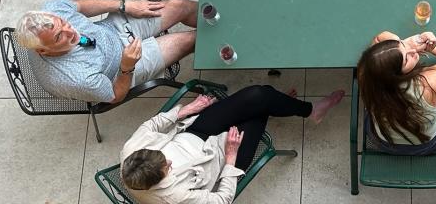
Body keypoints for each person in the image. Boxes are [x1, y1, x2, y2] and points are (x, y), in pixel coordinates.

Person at [120, 84, 345, 204]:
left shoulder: (132, 151)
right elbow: (222, 199)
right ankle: (282, 104)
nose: (168, 161)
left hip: (195, 131)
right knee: (263, 104)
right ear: (160, 179)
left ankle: (301, 108)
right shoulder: (175, 197)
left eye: (162, 156)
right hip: (220, 160)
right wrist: (230, 157)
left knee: (259, 94)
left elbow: (153, 125)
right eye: (167, 166)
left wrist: (187, 110)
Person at [16, 0, 198, 104]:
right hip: (122, 68)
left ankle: (220, 17)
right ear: (44, 51)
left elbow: (80, 6)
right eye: (58, 37)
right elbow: (115, 96)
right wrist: (127, 67)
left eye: (64, 23)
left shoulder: (53, 10)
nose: (71, 32)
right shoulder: (77, 79)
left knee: (178, 5)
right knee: (188, 40)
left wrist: (123, 5)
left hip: (113, 28)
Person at [357, 29, 436, 153]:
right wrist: (433, 48)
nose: (413, 51)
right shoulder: (429, 83)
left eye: (404, 47)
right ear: (396, 75)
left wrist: (403, 46)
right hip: (427, 144)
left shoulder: (365, 73)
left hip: (383, 141)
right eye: (406, 60)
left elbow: (379, 38)